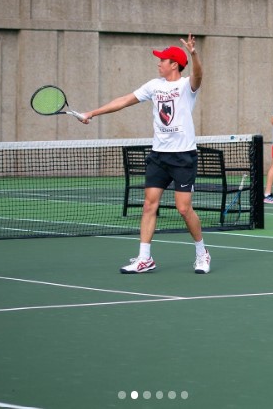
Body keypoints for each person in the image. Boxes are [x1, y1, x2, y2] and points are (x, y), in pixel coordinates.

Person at [80, 34, 210, 274]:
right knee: (149, 205)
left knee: (183, 209)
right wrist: (92, 112)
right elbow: (124, 100)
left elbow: (199, 76)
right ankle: (144, 258)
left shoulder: (185, 86)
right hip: (158, 156)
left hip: (183, 156)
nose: (158, 62)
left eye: (163, 60)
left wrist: (193, 54)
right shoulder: (153, 85)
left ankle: (202, 252)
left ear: (175, 64)